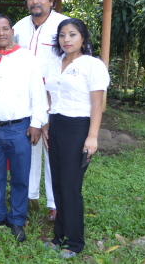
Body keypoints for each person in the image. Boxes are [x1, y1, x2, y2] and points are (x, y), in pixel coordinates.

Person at [0, 13, 48, 243]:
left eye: (5, 29)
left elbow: (38, 93)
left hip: (19, 128)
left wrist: (36, 124)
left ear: (12, 32)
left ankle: (16, 219)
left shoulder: (27, 58)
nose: (1, 33)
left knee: (20, 176)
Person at [43, 18, 110, 259]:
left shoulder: (92, 65)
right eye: (62, 35)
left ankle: (74, 241)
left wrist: (92, 137)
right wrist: (47, 123)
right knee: (58, 184)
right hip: (56, 125)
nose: (66, 40)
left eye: (72, 34)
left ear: (83, 38)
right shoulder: (54, 64)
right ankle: (58, 236)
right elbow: (50, 95)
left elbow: (96, 104)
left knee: (71, 186)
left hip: (78, 128)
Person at [13, 0, 68, 221]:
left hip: (56, 98)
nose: (35, 2)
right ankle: (30, 195)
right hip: (25, 97)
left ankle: (55, 202)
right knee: (30, 144)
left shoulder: (63, 25)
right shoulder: (19, 27)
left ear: (51, 1)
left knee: (52, 148)